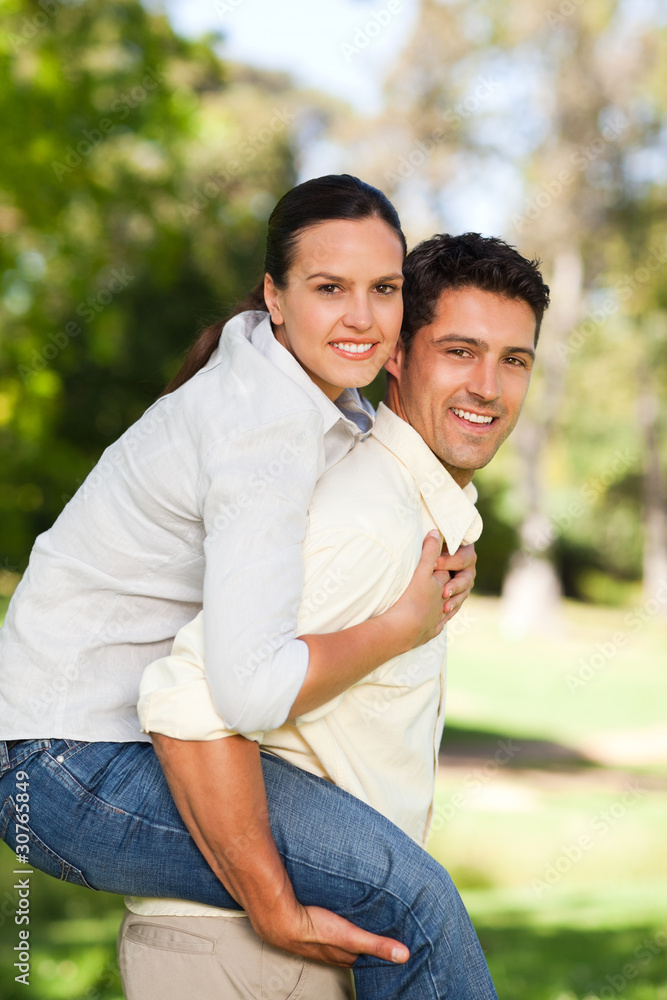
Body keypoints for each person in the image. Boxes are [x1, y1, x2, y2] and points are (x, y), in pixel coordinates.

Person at [0, 176, 476, 972]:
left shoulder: (290, 386)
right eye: (330, 288)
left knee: (401, 880)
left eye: (383, 290)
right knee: (413, 900)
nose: (361, 317)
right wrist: (399, 627)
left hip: (78, 745)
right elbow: (249, 688)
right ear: (275, 297)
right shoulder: (263, 431)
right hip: (56, 764)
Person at [116, 233, 550, 1000]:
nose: (487, 385)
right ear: (395, 356)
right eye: (459, 350)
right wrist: (272, 907)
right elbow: (185, 701)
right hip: (250, 952)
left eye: (513, 360)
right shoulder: (366, 520)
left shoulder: (404, 512)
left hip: (294, 944)